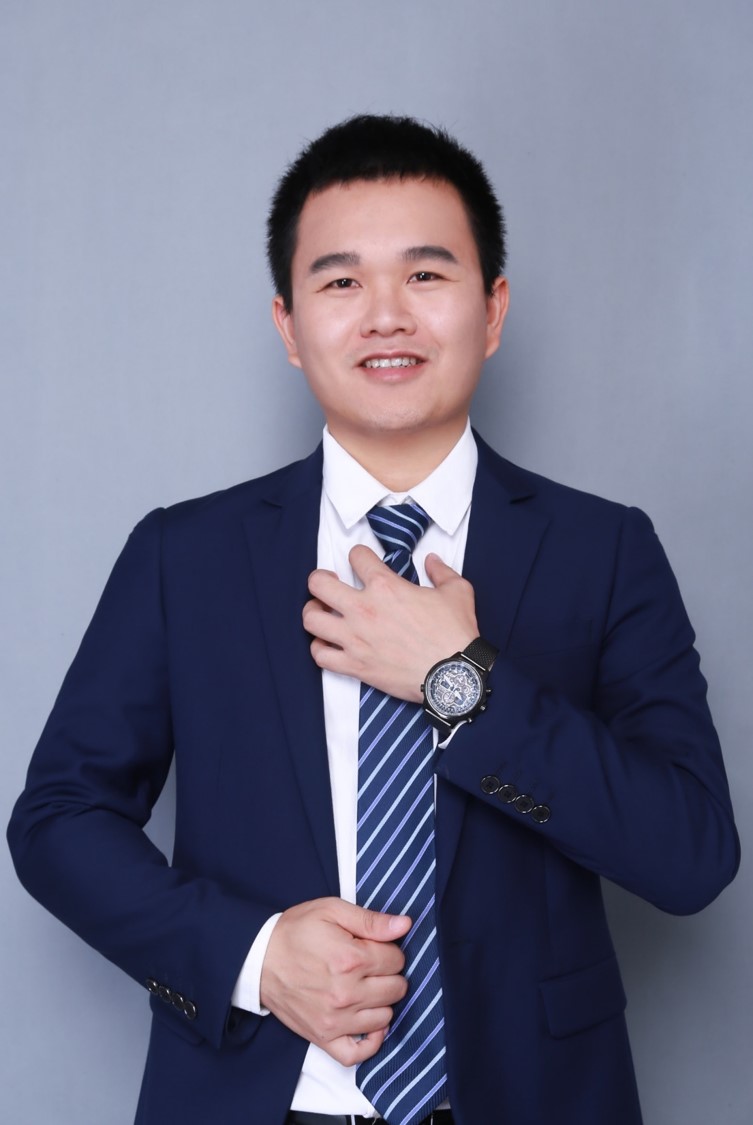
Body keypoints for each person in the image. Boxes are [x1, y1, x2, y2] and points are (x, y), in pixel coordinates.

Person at [8, 115, 739, 1125]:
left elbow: (690, 854)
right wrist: (255, 955)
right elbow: (58, 819)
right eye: (342, 282)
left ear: (492, 310)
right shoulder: (186, 556)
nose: (386, 316)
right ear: (288, 325)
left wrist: (461, 683)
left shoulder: (604, 550)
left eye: (426, 275)